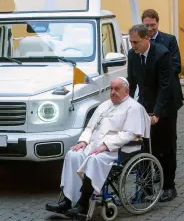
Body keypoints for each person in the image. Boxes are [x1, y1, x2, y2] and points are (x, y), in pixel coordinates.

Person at [46, 77, 150, 217]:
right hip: (94, 145)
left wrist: (106, 145)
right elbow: (90, 127)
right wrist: (83, 141)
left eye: (117, 89)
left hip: (118, 150)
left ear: (126, 91)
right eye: (111, 89)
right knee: (73, 154)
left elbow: (129, 134)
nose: (113, 92)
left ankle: (83, 204)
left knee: (94, 159)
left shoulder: (134, 108)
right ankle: (67, 201)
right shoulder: (104, 105)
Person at [127, 24, 183, 202]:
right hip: (145, 103)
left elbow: (165, 86)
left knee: (165, 147)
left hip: (165, 105)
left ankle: (169, 187)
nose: (133, 46)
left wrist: (157, 113)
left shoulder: (162, 54)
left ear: (146, 39)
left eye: (136, 42)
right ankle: (145, 187)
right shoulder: (132, 54)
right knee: (143, 146)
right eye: (131, 42)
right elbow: (132, 81)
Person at [141, 9, 183, 201]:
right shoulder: (140, 44)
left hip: (168, 100)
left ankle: (169, 185)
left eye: (152, 25)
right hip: (149, 101)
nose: (149, 29)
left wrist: (155, 76)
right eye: (146, 25)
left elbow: (176, 66)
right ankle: (154, 173)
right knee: (150, 142)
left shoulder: (169, 40)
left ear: (157, 23)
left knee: (168, 143)